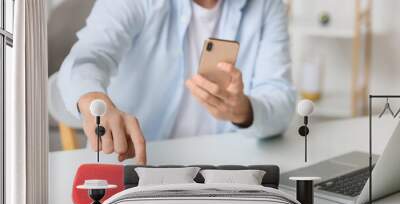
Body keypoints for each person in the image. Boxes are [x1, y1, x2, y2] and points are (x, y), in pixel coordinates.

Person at [58, 0, 296, 164]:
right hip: (139, 168)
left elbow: (281, 99)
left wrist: (244, 111)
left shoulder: (267, 5)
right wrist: (93, 100)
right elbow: (88, 58)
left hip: (224, 174)